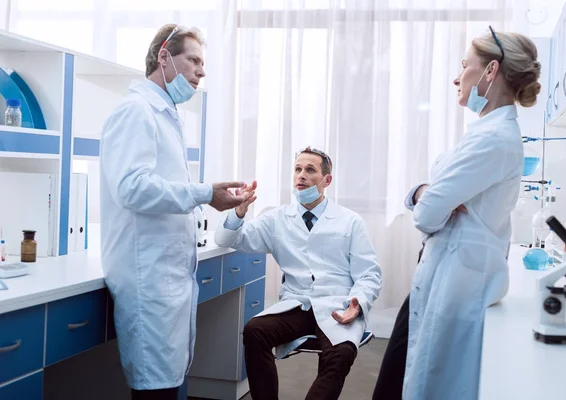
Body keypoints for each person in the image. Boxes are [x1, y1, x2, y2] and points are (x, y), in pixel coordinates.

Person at [373, 27, 541, 400]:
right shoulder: (487, 131)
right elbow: (430, 201)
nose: (456, 76)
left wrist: (426, 197)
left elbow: (427, 215)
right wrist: (422, 193)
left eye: (465, 65)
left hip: (455, 286)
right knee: (399, 377)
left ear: (490, 71)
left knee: (415, 381)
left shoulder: (493, 139)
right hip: (444, 276)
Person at [99, 24, 253, 400]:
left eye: (204, 64)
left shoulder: (164, 114)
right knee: (156, 390)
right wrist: (204, 193)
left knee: (165, 385)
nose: (201, 71)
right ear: (164, 56)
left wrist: (208, 196)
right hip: (147, 276)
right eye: (194, 60)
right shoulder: (136, 111)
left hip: (163, 276)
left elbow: (159, 188)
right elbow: (131, 187)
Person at [214, 147, 382, 400]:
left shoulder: (350, 221)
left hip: (337, 304)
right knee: (254, 330)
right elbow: (228, 239)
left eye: (310, 170)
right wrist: (239, 211)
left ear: (327, 180)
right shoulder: (277, 218)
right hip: (298, 304)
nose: (301, 176)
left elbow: (369, 274)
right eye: (297, 169)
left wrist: (357, 304)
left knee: (342, 352)